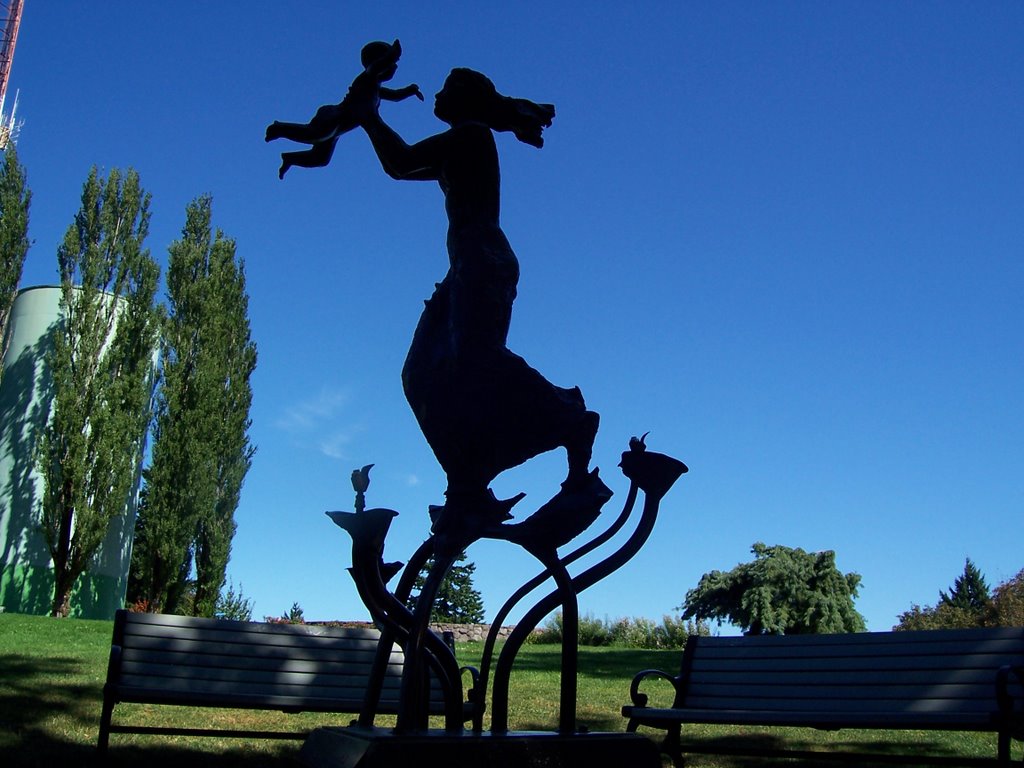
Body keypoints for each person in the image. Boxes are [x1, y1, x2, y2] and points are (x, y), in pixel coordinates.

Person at [358, 67, 602, 537]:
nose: (436, 94)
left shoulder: (470, 136)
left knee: (474, 360)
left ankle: (569, 417)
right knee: (421, 373)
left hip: (482, 259)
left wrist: (368, 117)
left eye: (446, 88)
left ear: (465, 100)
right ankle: (468, 478)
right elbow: (403, 164)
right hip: (464, 267)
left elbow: (400, 161)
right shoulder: (464, 139)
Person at [266, 40, 422, 179]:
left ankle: (289, 158)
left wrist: (410, 90)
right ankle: (279, 128)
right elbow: (375, 68)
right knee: (317, 134)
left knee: (320, 158)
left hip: (341, 127)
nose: (394, 67)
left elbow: (395, 95)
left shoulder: (377, 90)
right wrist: (393, 54)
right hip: (334, 115)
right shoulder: (366, 78)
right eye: (390, 64)